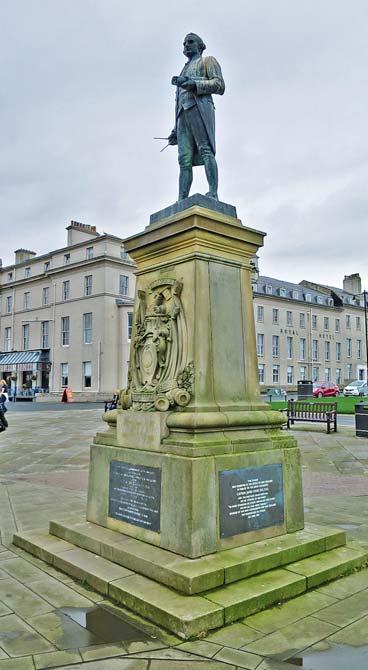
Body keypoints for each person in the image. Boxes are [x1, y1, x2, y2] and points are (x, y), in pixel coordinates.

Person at [168, 33, 225, 201]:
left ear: (200, 45)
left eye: (190, 42)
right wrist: (175, 129)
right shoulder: (183, 69)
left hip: (199, 109)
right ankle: (181, 199)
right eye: (184, 43)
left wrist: (193, 84)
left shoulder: (208, 61)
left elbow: (219, 85)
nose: (186, 45)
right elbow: (179, 101)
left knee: (206, 150)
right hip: (182, 116)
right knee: (183, 160)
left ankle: (213, 193)